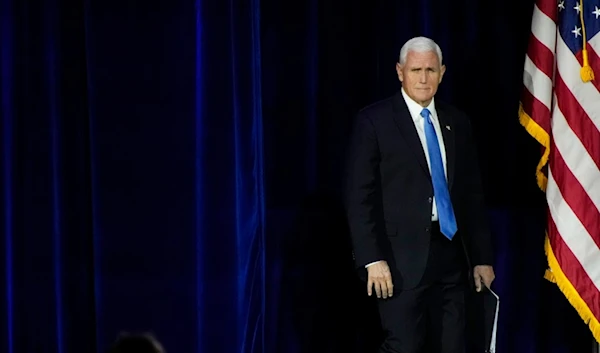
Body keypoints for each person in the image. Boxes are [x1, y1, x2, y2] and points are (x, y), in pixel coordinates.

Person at [344, 36, 495, 353]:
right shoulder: (374, 122)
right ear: (400, 72)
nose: (423, 78)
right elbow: (359, 198)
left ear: (442, 72)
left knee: (454, 346)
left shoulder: (458, 121)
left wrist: (481, 258)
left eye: (430, 69)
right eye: (415, 70)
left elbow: (471, 196)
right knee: (405, 347)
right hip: (400, 260)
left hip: (453, 256)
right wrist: (372, 259)